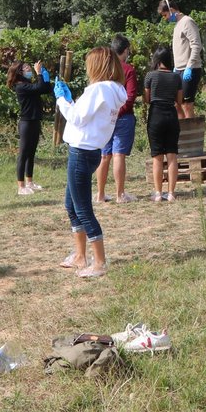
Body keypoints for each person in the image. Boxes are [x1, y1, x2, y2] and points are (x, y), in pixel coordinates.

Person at [52, 46, 127, 279]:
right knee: (71, 205)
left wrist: (61, 100)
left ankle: (99, 262)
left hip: (80, 153)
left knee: (82, 209)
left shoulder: (97, 90)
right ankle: (80, 256)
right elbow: (86, 117)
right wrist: (70, 99)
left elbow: (75, 118)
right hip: (91, 151)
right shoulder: (115, 90)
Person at [97, 34, 138, 204]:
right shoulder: (128, 69)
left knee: (104, 155)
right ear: (126, 50)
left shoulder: (103, 69)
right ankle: (120, 194)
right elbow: (130, 96)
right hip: (123, 118)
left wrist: (109, 113)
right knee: (118, 154)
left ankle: (100, 194)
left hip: (105, 118)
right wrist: (119, 112)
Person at [143, 46, 184, 202]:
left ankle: (159, 193)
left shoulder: (150, 76)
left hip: (156, 116)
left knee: (157, 157)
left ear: (157, 61)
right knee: (172, 155)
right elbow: (179, 101)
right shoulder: (176, 78)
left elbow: (147, 100)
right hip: (171, 116)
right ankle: (172, 193)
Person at [7, 59, 54, 195]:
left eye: (29, 67)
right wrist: (39, 73)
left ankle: (30, 182)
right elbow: (39, 88)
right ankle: (21, 186)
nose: (29, 70)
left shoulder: (28, 84)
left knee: (31, 153)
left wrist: (45, 76)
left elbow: (45, 89)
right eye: (26, 68)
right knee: (23, 154)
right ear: (19, 72)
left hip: (35, 121)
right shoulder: (20, 86)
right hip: (26, 123)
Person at [157, 0, 203, 116]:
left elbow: (196, 45)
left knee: (187, 105)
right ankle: (181, 131)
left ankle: (190, 132)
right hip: (179, 70)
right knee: (177, 103)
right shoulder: (177, 25)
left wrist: (189, 66)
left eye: (165, 15)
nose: (165, 18)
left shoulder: (187, 21)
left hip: (189, 70)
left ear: (171, 10)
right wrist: (176, 68)